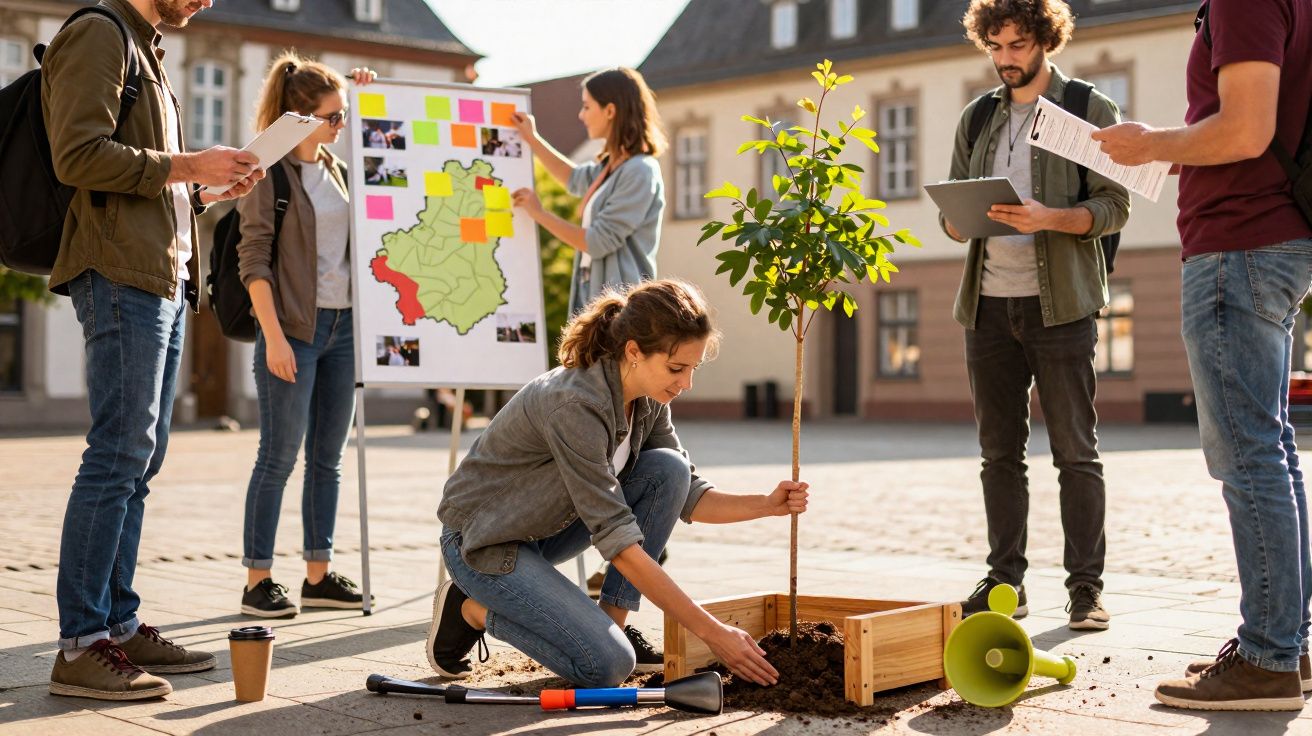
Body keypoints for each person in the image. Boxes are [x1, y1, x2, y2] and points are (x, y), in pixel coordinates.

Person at [1094, 0, 1312, 712]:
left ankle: (1267, 661)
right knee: (1271, 450)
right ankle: (1288, 644)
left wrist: (1151, 144)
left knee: (1248, 454)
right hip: (1272, 238)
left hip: (1239, 242)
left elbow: (1246, 129)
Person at [426, 280, 809, 685]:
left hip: (546, 527)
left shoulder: (645, 396)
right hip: (483, 543)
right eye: (676, 368)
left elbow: (687, 493)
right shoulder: (576, 405)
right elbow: (619, 541)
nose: (686, 384)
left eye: (693, 369)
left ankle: (613, 626)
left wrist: (766, 504)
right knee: (606, 666)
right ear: (633, 352)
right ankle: (470, 609)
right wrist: (713, 633)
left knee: (669, 468)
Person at [42, 0, 263, 701]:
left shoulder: (148, 53)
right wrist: (187, 162)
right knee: (117, 453)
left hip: (160, 276)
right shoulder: (98, 35)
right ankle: (80, 643)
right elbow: (77, 153)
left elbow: (147, 185)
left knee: (141, 459)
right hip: (117, 274)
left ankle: (118, 621)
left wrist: (204, 188)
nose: (206, 1)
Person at [942, 0, 1130, 630]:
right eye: (995, 47)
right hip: (988, 307)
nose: (1005, 60)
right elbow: (950, 215)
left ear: (1045, 40)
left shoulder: (1085, 109)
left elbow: (1114, 207)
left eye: (1017, 45)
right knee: (999, 455)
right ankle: (1006, 583)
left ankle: (1086, 590)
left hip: (1063, 308)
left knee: (1076, 453)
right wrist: (958, 215)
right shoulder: (979, 116)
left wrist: (1051, 217)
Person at [235, 53, 376, 618]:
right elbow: (253, 261)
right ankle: (257, 580)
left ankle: (318, 574)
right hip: (294, 330)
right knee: (278, 456)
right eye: (333, 117)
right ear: (302, 117)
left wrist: (368, 97)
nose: (340, 125)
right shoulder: (266, 172)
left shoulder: (338, 171)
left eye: (342, 117)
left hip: (342, 329)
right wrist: (272, 337)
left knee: (327, 458)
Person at [510, 67, 666, 315]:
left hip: (621, 309)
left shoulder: (640, 171)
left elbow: (596, 242)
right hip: (593, 296)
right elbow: (572, 177)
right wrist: (532, 138)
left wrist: (539, 214)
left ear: (610, 111)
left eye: (586, 106)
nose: (581, 115)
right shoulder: (611, 168)